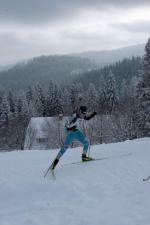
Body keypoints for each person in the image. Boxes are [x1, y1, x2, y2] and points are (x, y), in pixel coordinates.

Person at [51, 106, 97, 170]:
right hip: (71, 133)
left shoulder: (83, 116)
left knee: (86, 143)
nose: (84, 114)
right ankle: (55, 161)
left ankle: (84, 157)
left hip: (77, 132)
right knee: (65, 148)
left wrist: (94, 114)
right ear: (80, 111)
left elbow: (87, 118)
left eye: (85, 113)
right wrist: (72, 127)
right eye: (83, 113)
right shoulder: (75, 117)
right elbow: (67, 127)